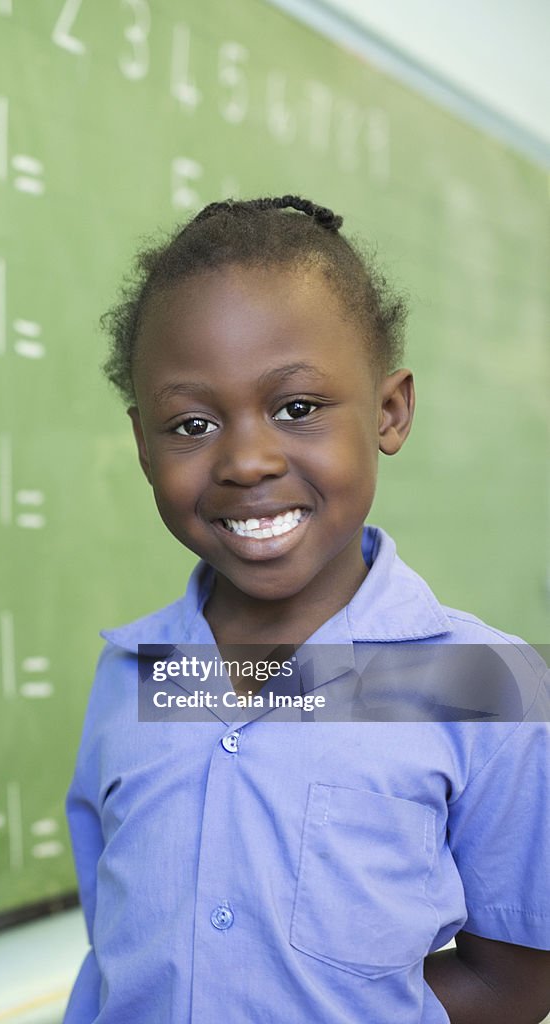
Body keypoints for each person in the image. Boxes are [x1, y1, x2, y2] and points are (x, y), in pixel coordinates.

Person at [64, 196, 549, 1023]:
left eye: (297, 408)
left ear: (389, 411)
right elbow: (120, 937)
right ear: (144, 444)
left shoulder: (479, 683)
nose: (247, 461)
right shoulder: (135, 674)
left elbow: (517, 975)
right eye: (191, 422)